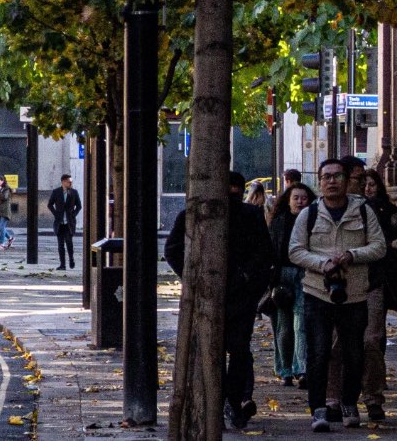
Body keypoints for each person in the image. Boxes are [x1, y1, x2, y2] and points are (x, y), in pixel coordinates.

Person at [166, 171, 274, 431]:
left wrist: (248, 282)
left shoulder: (250, 216)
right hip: (209, 295)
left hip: (240, 297)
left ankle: (233, 400)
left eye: (237, 188)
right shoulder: (193, 215)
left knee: (238, 350)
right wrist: (195, 279)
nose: (233, 193)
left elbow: (264, 255)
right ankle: (222, 401)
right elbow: (173, 250)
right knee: (213, 349)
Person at [290, 157, 387, 431]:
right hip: (317, 293)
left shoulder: (365, 212)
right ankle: (318, 410)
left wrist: (351, 256)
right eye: (326, 177)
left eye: (337, 176)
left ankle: (348, 403)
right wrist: (323, 264)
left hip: (355, 294)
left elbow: (379, 246)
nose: (331, 181)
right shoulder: (308, 214)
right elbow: (295, 250)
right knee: (319, 352)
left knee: (355, 352)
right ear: (319, 182)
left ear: (347, 181)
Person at [269, 182, 314, 388]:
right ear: (288, 200)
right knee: (284, 326)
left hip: (306, 274)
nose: (300, 201)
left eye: (303, 198)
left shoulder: (314, 221)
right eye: (296, 198)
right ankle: (285, 369)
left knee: (302, 323)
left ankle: (301, 369)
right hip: (282, 277)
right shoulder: (278, 221)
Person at [361, 169, 395, 421]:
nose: (368, 189)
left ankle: (373, 397)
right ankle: (339, 398)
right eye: (364, 184)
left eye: (372, 184)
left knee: (373, 338)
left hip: (377, 281)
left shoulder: (386, 211)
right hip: (348, 283)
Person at [47, 174, 82, 270]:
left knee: (69, 242)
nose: (70, 183)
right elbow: (50, 204)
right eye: (69, 182)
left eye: (71, 182)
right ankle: (62, 264)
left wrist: (73, 214)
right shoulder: (56, 192)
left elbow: (79, 206)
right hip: (59, 223)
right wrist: (56, 214)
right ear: (63, 182)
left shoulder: (74, 192)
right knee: (60, 245)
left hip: (69, 223)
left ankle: (71, 259)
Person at [0, 176, 15, 248]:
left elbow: (4, 197)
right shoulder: (1, 188)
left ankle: (2, 243)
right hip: (0, 210)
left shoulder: (6, 188)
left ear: (2, 181)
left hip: (5, 210)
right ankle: (10, 238)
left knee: (2, 227)